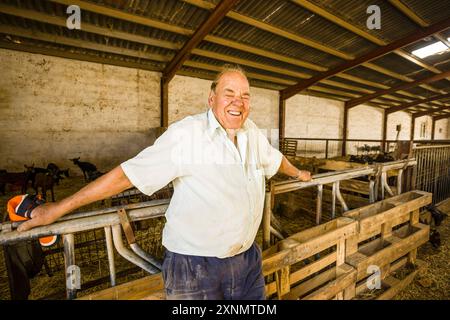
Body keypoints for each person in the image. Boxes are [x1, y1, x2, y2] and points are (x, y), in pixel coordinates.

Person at [18, 64, 311, 300]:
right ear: (212, 99)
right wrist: (60, 208)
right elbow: (127, 174)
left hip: (247, 261)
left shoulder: (252, 133)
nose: (239, 101)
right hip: (196, 267)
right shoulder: (188, 135)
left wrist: (298, 174)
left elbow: (275, 158)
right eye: (229, 93)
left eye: (245, 95)